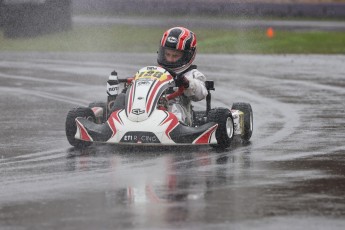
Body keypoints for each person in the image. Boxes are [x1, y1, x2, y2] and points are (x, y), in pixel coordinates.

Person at [157, 27, 208, 125]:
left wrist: (187, 83)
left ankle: (172, 130)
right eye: (168, 54)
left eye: (175, 56)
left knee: (174, 108)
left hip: (181, 116)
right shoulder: (157, 72)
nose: (170, 59)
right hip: (153, 110)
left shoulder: (192, 74)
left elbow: (201, 94)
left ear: (187, 55)